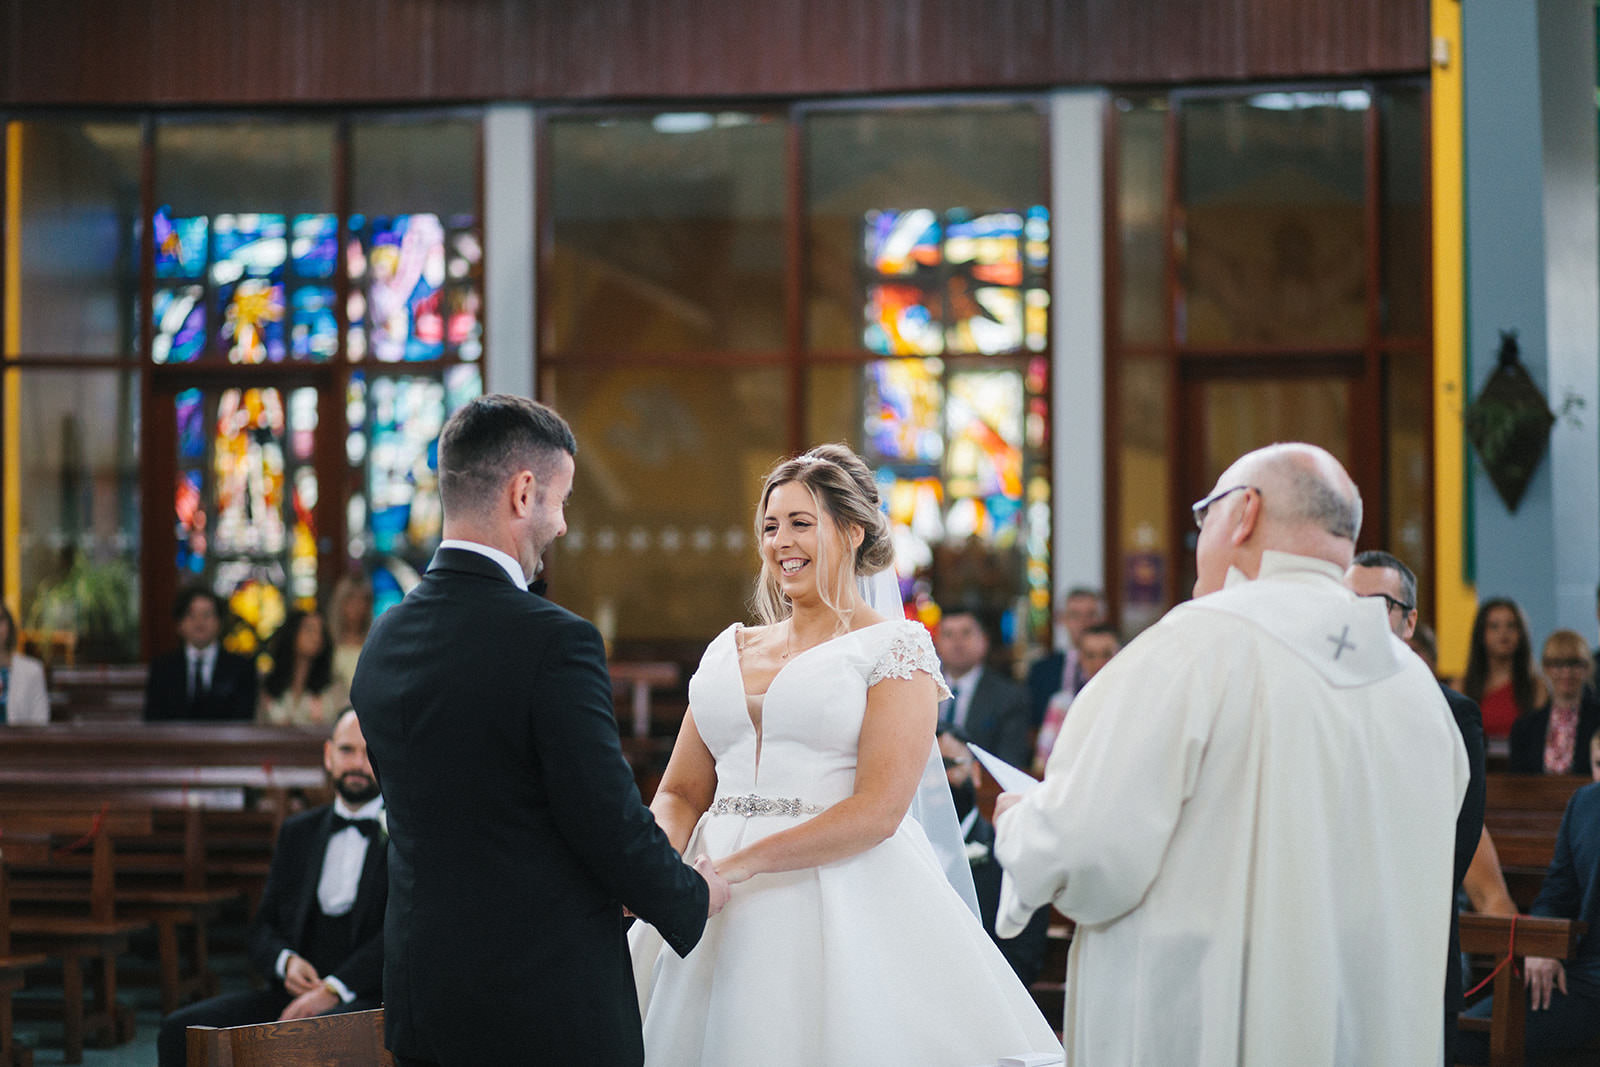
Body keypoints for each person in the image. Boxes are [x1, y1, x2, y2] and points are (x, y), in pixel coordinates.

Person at [994, 443, 1467, 1065]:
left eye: (1204, 515)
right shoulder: (1413, 684)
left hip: (1205, 1026)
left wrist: (1024, 821)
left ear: (1243, 512)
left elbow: (1088, 856)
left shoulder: (1194, 646)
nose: (1199, 538)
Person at [631, 444, 1060, 1066]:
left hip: (834, 888)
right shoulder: (729, 649)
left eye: (801, 523)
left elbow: (878, 811)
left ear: (853, 532)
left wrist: (742, 864)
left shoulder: (895, 649)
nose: (782, 541)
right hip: (703, 890)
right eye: (770, 527)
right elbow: (680, 793)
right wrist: (659, 865)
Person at [351, 394, 723, 1067]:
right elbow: (605, 818)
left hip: (424, 995)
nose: (563, 524)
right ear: (524, 493)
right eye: (561, 500)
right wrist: (692, 894)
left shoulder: (384, 639)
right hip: (541, 1004)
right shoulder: (554, 643)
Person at [156, 709, 387, 1067]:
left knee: (311, 1040)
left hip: (369, 997)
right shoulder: (298, 832)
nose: (357, 763)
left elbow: (401, 934)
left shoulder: (403, 837)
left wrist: (334, 989)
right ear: (328, 755)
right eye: (346, 750)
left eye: (368, 753)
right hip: (293, 994)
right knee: (179, 1029)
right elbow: (262, 927)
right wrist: (286, 962)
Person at [1345, 547, 1486, 1064]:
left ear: (1409, 622)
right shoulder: (1318, 703)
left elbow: (1460, 839)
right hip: (1331, 942)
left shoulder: (1452, 714)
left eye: (1374, 604)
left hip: (1414, 935)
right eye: (1345, 603)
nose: (1357, 617)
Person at [1459, 730, 1600, 1063]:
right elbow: (1557, 893)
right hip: (1581, 975)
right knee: (1467, 1037)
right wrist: (1541, 946)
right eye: (1598, 764)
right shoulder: (1585, 803)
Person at [938, 723, 1051, 986]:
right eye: (926, 769)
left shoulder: (1010, 852)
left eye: (948, 764)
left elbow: (1025, 954)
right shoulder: (905, 854)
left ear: (976, 772)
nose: (936, 779)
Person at [933, 606, 1032, 768]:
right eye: (948, 634)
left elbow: (1009, 762)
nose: (957, 642)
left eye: (966, 633)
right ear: (936, 644)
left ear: (984, 641)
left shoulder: (1008, 696)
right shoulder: (923, 690)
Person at [144, 588, 258, 722]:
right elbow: (153, 720)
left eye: (206, 615)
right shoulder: (162, 668)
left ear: (219, 622)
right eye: (191, 615)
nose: (199, 622)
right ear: (179, 624)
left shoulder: (242, 668)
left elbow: (244, 718)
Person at [1031, 624, 1120, 776]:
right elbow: (1041, 764)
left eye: (1106, 654)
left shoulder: (1133, 705)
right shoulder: (1061, 705)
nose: (1099, 663)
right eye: (1090, 655)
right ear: (1080, 660)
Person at [1509, 629, 1600, 776]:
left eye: (1574, 664)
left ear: (1588, 667)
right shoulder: (1525, 727)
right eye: (1557, 664)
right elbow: (1518, 782)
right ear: (1545, 668)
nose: (1566, 672)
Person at [1461, 596, 1546, 740]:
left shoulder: (1537, 687)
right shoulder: (1462, 686)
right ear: (1481, 634)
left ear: (1521, 633)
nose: (1503, 633)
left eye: (1511, 625)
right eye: (1494, 626)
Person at [1025, 587, 1106, 726]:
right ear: (1062, 619)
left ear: (1103, 618)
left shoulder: (1117, 665)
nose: (1084, 622)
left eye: (1091, 615)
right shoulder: (1041, 671)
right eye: (1075, 615)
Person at [259, 609, 348, 727]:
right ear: (292, 633)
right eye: (309, 630)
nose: (316, 638)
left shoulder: (334, 685)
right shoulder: (270, 684)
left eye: (320, 632)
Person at [0, 602, 49, 725]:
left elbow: (40, 722)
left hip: (23, 744)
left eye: (0, 619)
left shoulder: (32, 670)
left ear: (9, 626)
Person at [327, 573, 374, 693]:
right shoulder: (328, 641)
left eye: (363, 600)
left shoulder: (374, 643)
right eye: (351, 599)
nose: (357, 606)